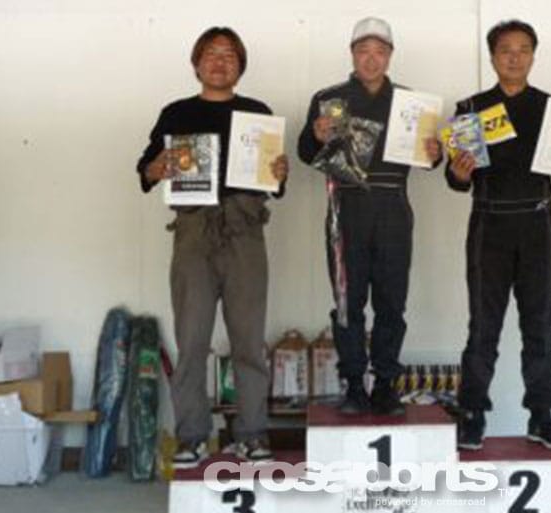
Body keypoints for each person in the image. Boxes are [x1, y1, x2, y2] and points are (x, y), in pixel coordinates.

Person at [447, 20, 551, 450]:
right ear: (492, 57)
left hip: (538, 225)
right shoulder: (471, 109)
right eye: (506, 50)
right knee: (483, 325)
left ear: (534, 56)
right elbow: (456, 181)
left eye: (523, 49)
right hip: (489, 225)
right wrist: (459, 173)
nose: (514, 57)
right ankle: (472, 413)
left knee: (540, 323)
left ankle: (541, 415)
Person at [136, 26, 288, 467]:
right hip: (193, 231)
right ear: (197, 63)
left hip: (245, 229)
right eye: (211, 54)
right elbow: (145, 170)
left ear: (240, 66)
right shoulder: (176, 113)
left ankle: (252, 433)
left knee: (248, 339)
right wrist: (156, 167)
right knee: (192, 339)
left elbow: (275, 184)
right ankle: (191, 436)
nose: (220, 62)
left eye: (229, 55)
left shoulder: (257, 114)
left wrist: (279, 172)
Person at [298, 17, 442, 416]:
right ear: (352, 54)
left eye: (379, 51)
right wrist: (316, 135)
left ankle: (385, 384)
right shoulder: (329, 98)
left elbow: (431, 160)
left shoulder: (410, 103)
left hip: (393, 204)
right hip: (346, 208)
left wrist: (435, 153)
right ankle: (353, 385)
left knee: (392, 301)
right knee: (348, 300)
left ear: (390, 56)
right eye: (363, 50)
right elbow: (306, 153)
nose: (371, 59)